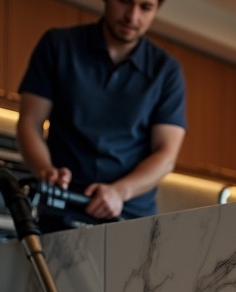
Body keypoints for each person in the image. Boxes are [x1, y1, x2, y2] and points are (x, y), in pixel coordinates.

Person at [16, 0, 186, 229]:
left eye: (145, 7)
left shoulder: (166, 71)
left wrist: (119, 192)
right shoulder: (58, 45)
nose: (132, 17)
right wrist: (46, 171)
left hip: (130, 218)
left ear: (156, 10)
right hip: (62, 208)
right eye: (125, 2)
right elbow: (30, 122)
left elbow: (166, 155)